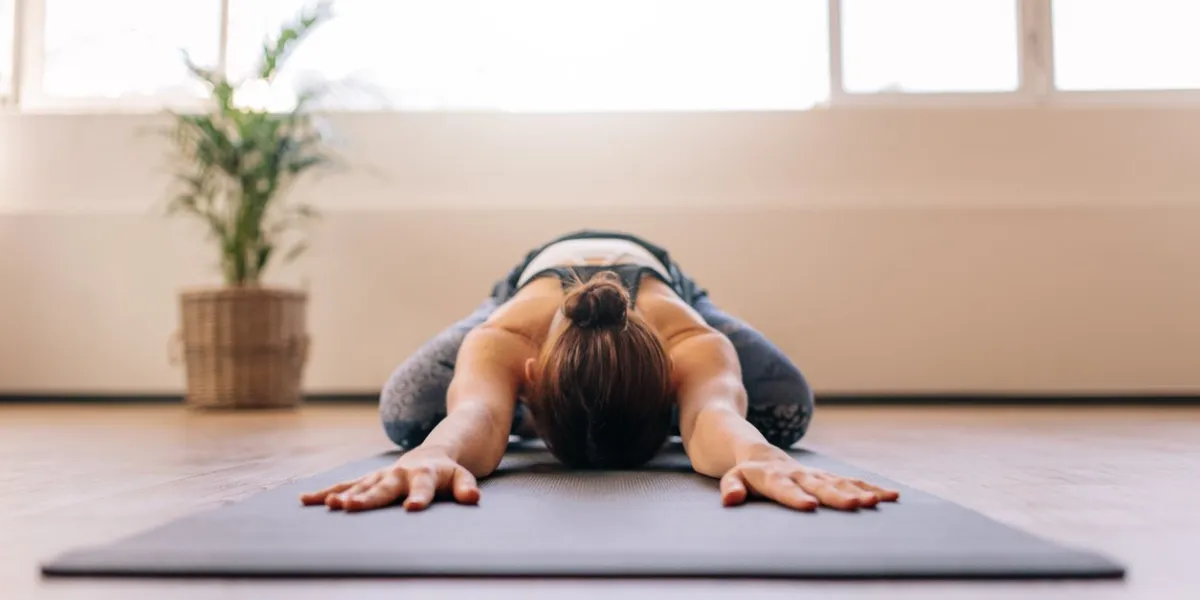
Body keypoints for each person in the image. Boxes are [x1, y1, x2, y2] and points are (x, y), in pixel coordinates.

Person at [301, 230, 899, 513]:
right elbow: (477, 414)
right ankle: (578, 404)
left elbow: (711, 416)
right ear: (528, 378)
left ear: (673, 378)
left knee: (784, 410)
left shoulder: (689, 339)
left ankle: (595, 403)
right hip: (528, 285)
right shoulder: (505, 335)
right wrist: (435, 452)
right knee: (408, 415)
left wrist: (757, 454)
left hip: (666, 283)